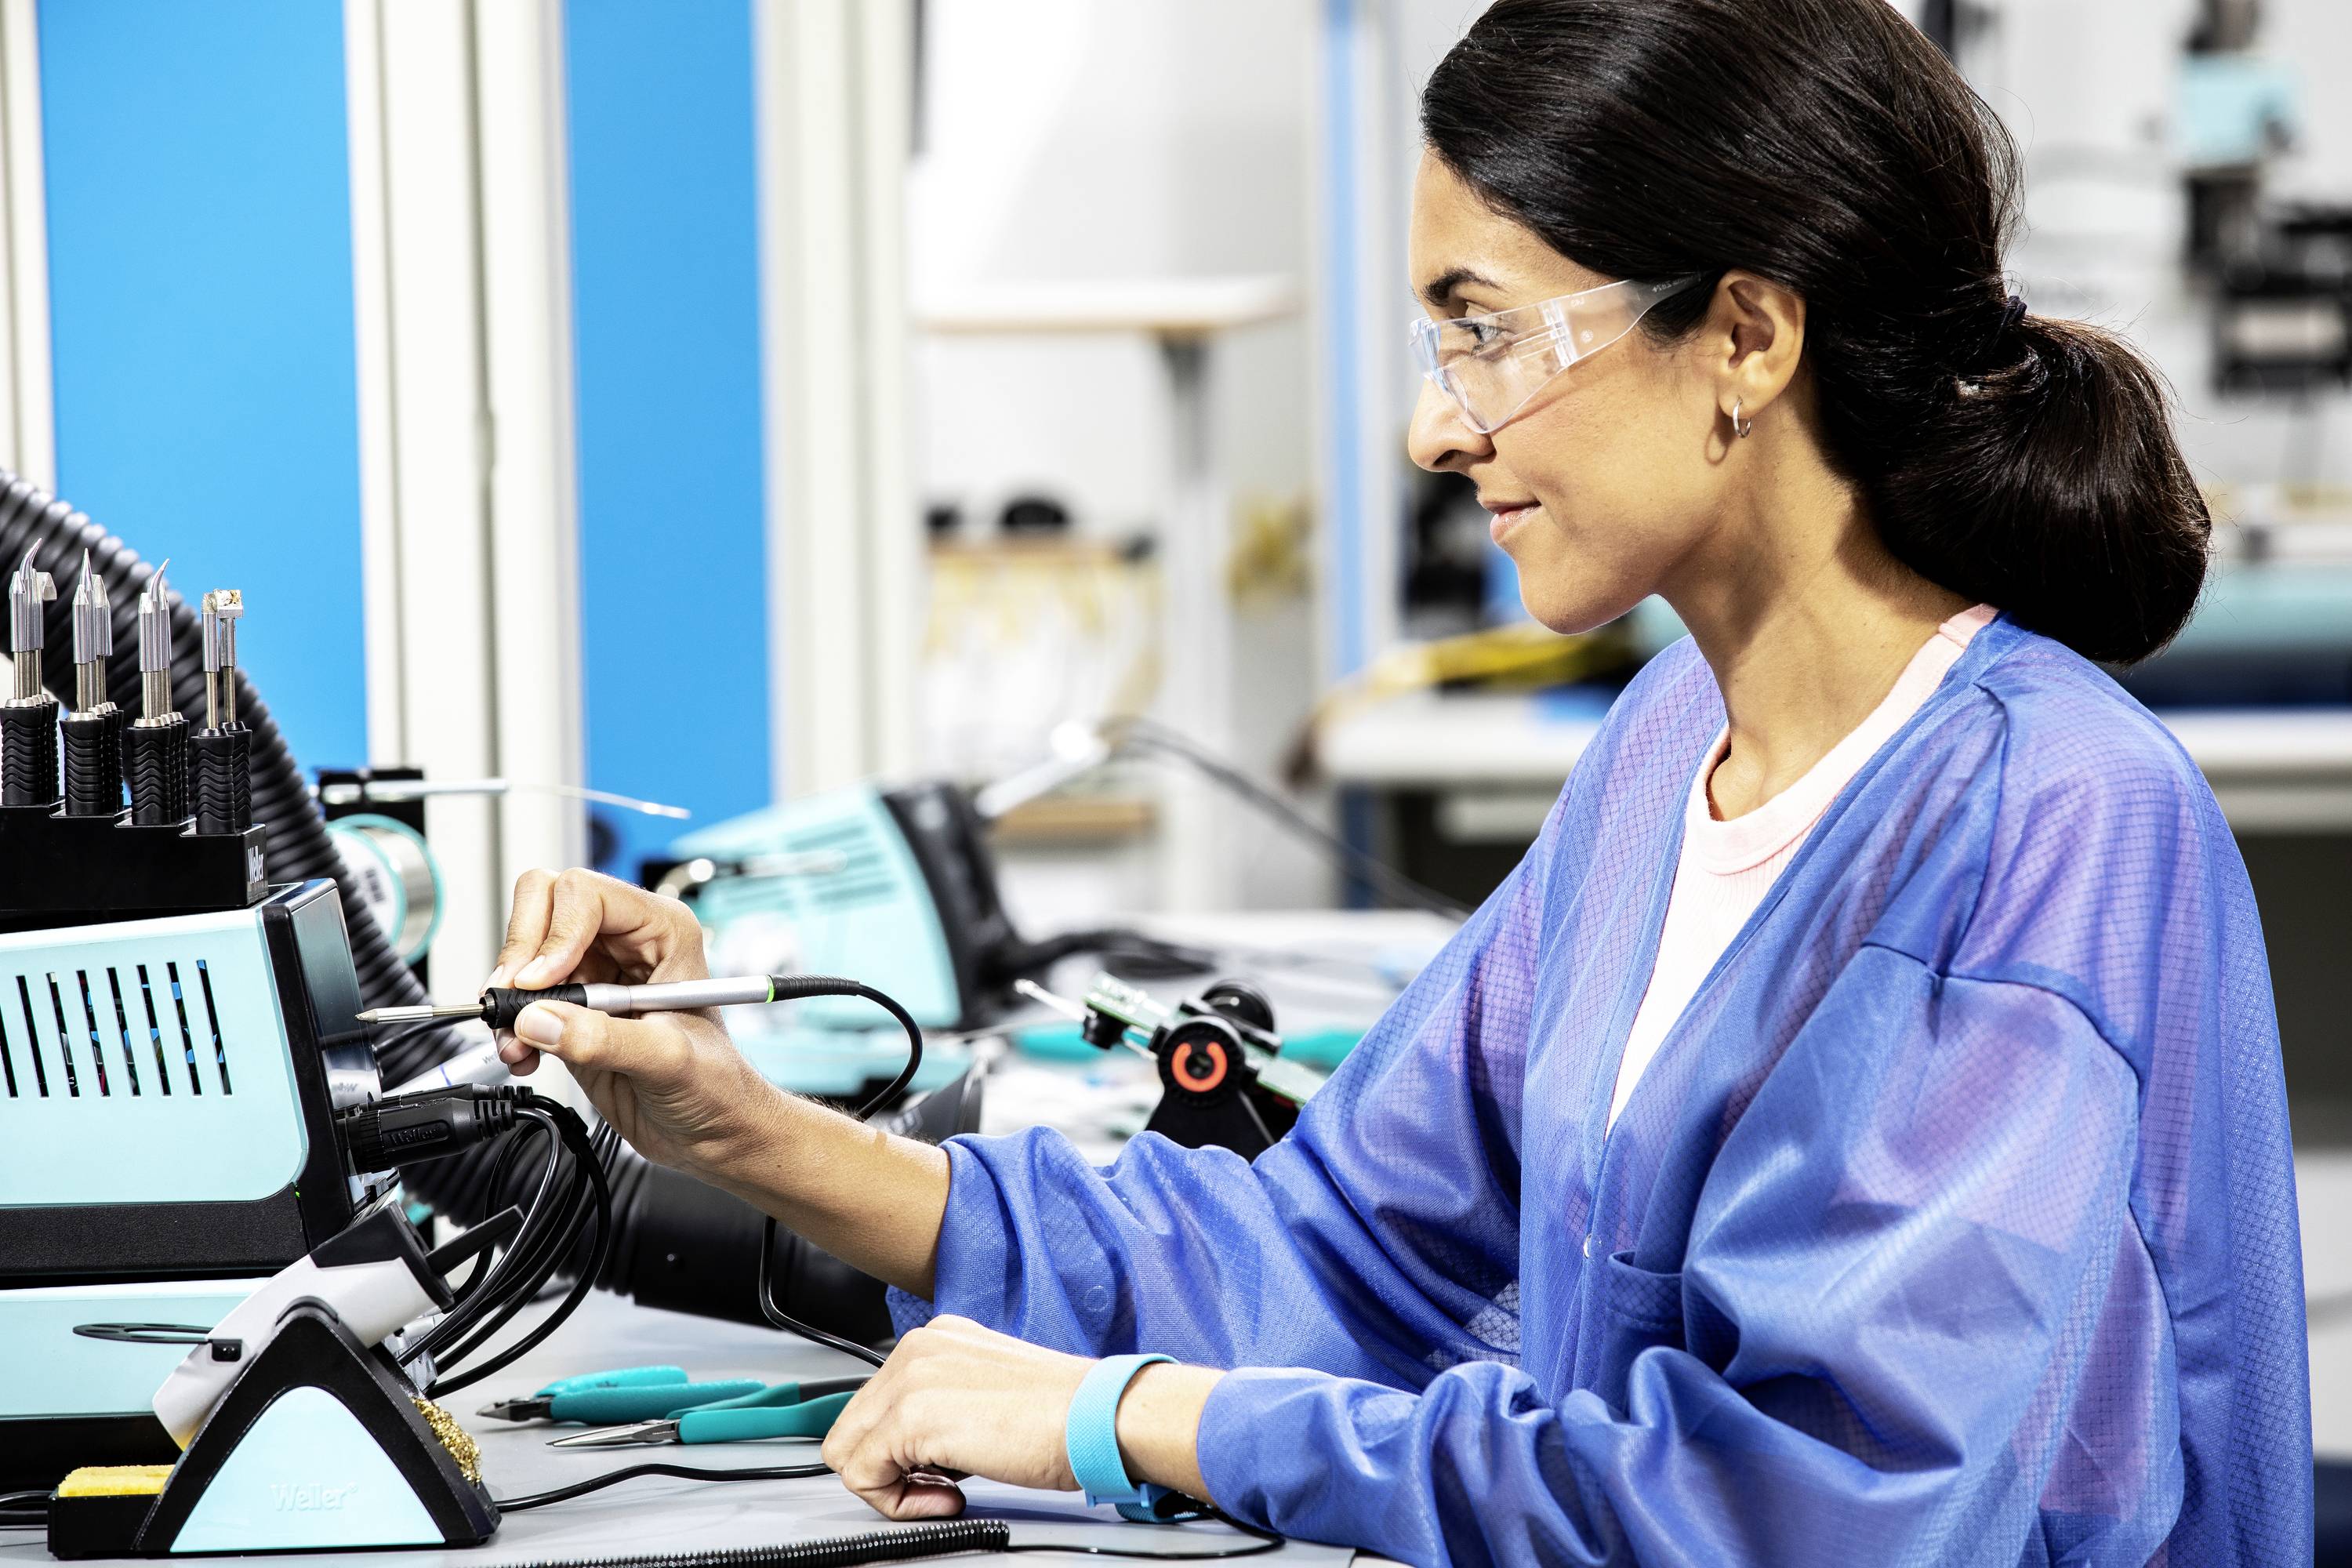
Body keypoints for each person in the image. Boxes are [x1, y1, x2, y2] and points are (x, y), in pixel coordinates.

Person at [485, 0, 2310, 1560]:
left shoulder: (2050, 825)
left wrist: (1150, 1421)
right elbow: (1341, 1255)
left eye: (1489, 328)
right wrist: (761, 1136)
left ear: (1746, 337)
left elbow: (1814, 1510)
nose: (1441, 424)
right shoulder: (1667, 757)